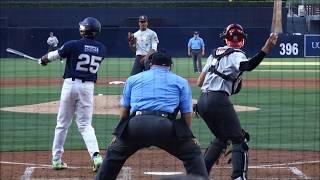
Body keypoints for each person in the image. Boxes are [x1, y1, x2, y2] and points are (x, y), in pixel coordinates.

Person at [95, 51, 208, 180]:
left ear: (150, 64)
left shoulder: (133, 79)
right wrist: (188, 137)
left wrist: (118, 135)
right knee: (192, 154)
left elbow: (125, 110)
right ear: (170, 66)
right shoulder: (181, 82)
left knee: (113, 155)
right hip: (164, 127)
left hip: (136, 126)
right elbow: (186, 114)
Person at [195, 24, 278, 180]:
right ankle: (239, 177)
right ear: (242, 39)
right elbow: (248, 66)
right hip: (218, 100)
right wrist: (265, 49)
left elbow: (200, 82)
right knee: (239, 138)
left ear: (225, 37)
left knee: (221, 138)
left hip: (202, 101)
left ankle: (199, 174)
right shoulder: (237, 54)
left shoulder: (214, 53)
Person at [38, 17, 107, 172]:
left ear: (84, 29)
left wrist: (42, 60)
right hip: (88, 88)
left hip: (70, 85)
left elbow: (54, 56)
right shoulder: (102, 49)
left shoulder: (73, 44)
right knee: (85, 125)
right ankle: (96, 156)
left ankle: (56, 160)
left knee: (62, 124)